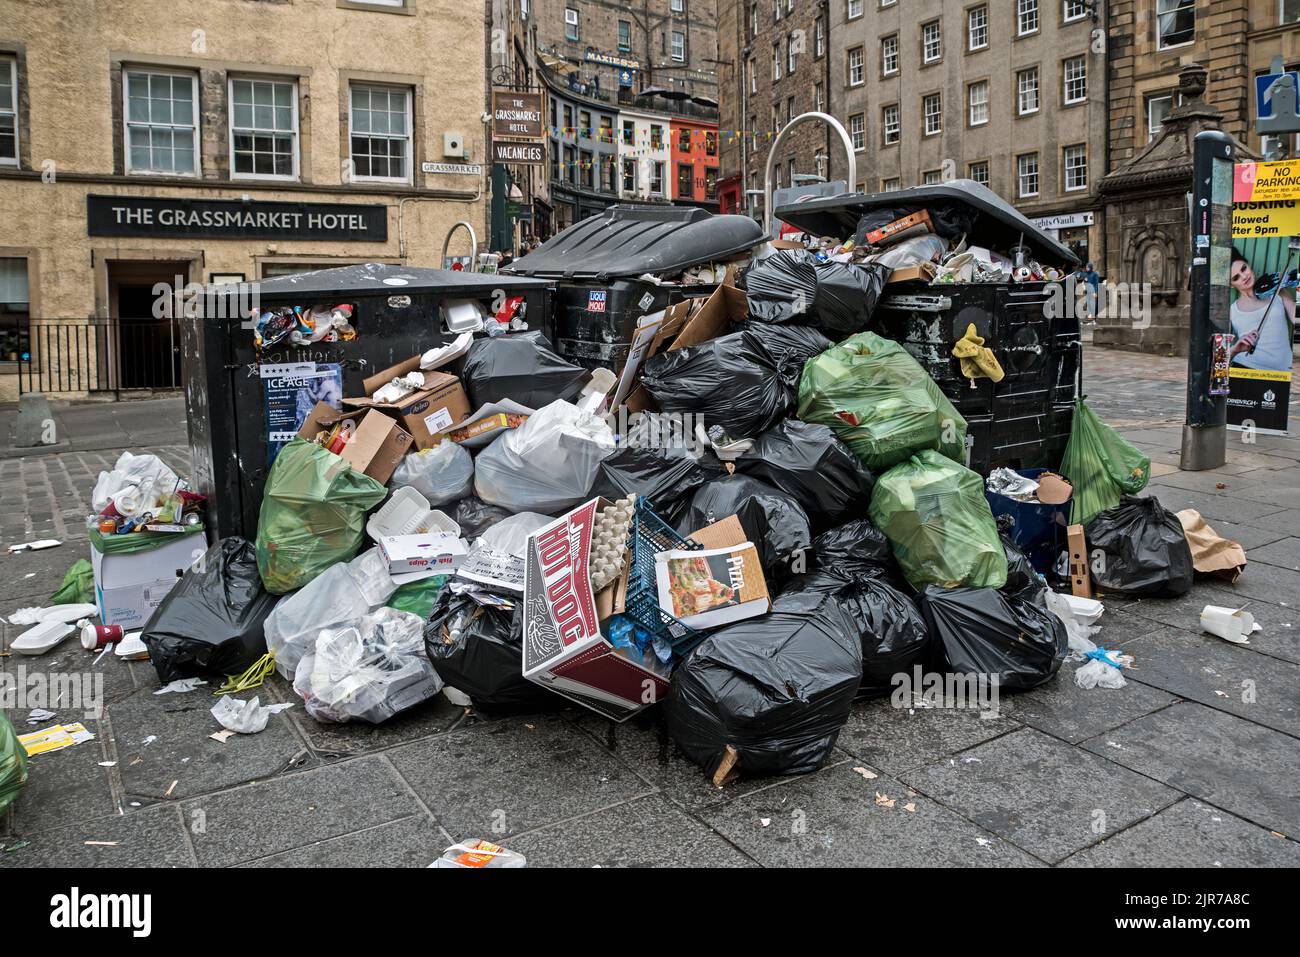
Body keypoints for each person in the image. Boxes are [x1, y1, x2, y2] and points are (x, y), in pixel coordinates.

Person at [1229, 247, 1296, 370]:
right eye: (1236, 278)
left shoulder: (1277, 290)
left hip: (1282, 371)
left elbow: (1296, 318)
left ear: (1249, 265)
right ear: (1231, 285)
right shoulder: (1232, 311)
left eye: (1244, 268)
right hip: (1246, 368)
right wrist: (1235, 349)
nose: (1244, 276)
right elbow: (1219, 355)